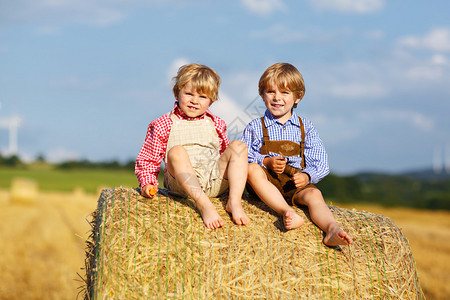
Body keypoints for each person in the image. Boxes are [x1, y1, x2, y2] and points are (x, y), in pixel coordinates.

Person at [240, 63, 352, 246]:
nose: (277, 98)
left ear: (298, 97)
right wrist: (265, 161)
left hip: (294, 184)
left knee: (315, 196)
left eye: (285, 93)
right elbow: (242, 156)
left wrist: (307, 175)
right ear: (262, 94)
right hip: (264, 185)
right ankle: (286, 212)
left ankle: (332, 229)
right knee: (252, 169)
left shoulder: (305, 128)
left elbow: (321, 162)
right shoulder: (255, 127)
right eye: (270, 92)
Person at [135, 63, 250, 230]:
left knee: (238, 146)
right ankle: (204, 205)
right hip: (182, 183)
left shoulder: (216, 123)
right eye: (188, 94)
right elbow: (148, 158)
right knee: (177, 151)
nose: (194, 101)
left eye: (202, 97)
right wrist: (147, 183)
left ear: (212, 100)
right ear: (177, 93)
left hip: (213, 180)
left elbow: (226, 155)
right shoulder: (163, 123)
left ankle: (234, 202)